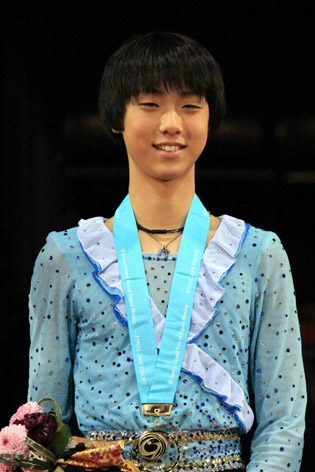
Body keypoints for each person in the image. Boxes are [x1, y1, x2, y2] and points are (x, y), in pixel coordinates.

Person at [27, 32, 306, 471]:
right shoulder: (66, 256)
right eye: (150, 104)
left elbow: (284, 419)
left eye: (191, 106)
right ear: (116, 116)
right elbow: (43, 421)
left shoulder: (258, 254)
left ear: (211, 119)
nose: (172, 123)